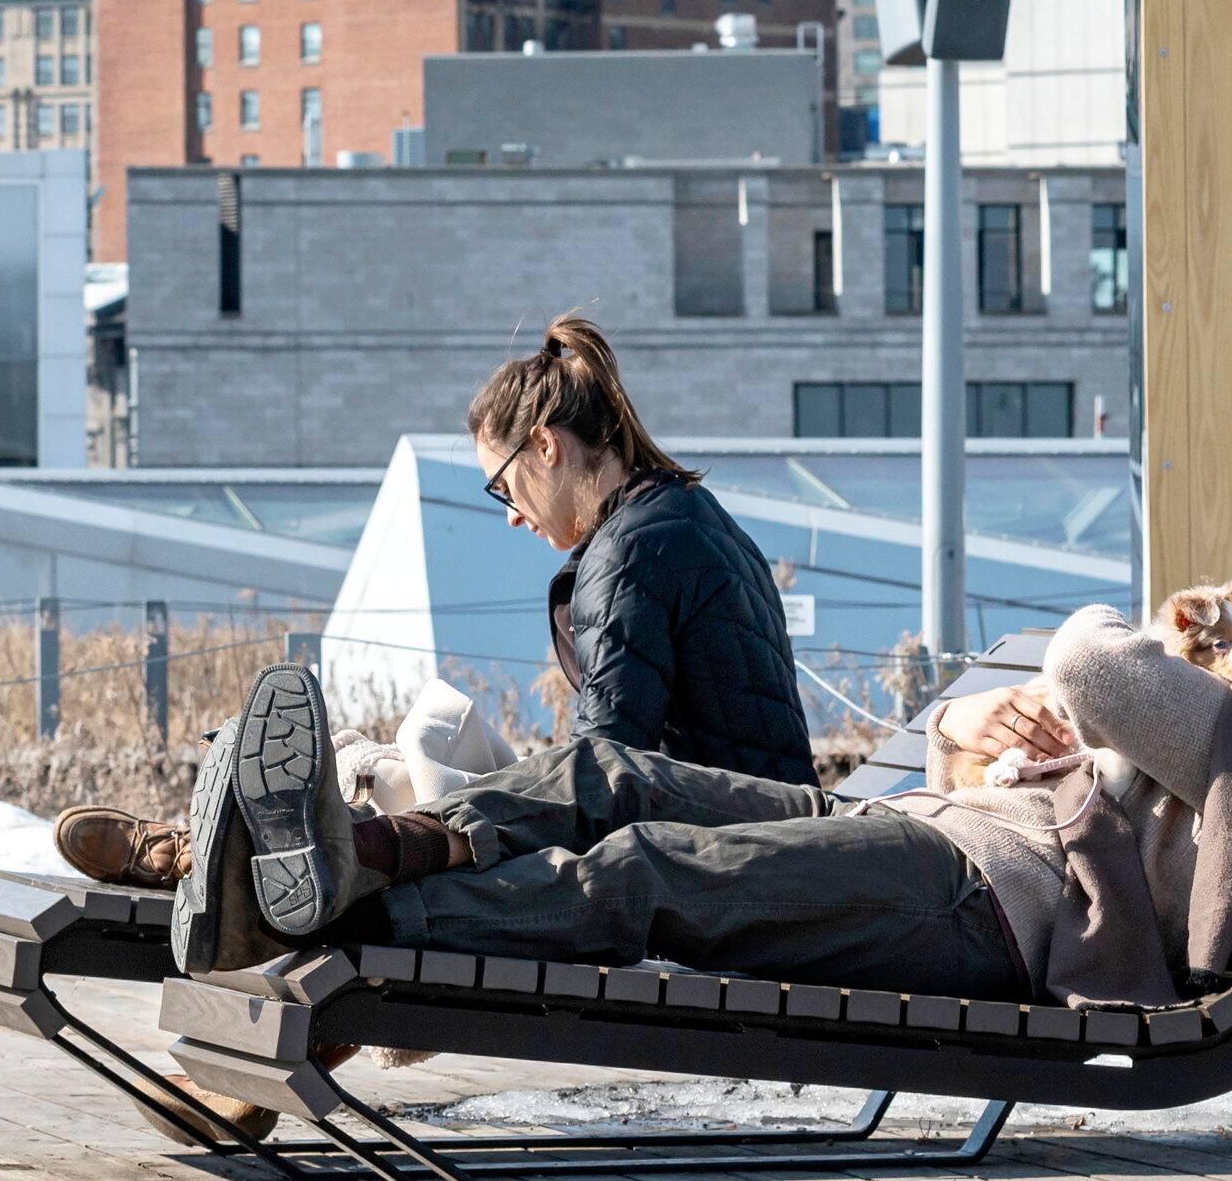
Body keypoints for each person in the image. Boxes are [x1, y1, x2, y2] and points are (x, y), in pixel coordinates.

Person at [172, 555, 1232, 1001]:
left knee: (644, 871)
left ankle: (338, 907)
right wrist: (1001, 740)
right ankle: (362, 850)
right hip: (948, 831)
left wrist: (1156, 631)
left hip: (992, 902)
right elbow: (989, 725)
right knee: (611, 775)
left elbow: (1089, 661)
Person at [59, 316, 815, 887]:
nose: (510, 513)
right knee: (419, 771)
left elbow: (603, 770)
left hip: (715, 858)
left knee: (429, 832)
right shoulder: (692, 518)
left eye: (502, 484)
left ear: (546, 447)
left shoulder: (632, 550)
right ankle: (263, 845)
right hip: (742, 829)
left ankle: (228, 851)